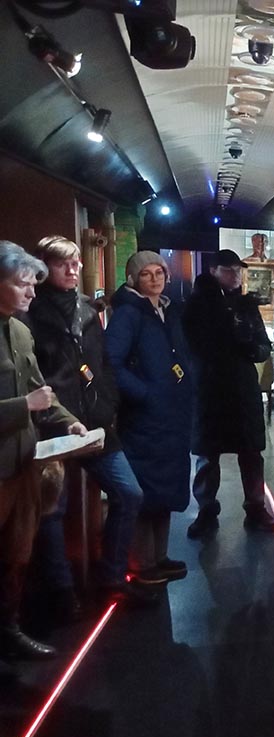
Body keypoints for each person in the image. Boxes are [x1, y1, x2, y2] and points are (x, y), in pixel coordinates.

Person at [25, 236, 149, 612]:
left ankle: (111, 577)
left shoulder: (86, 310)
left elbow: (103, 363)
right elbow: (31, 374)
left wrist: (108, 404)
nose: (73, 269)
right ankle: (61, 590)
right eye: (63, 263)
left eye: (76, 262)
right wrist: (48, 413)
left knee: (129, 493)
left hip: (95, 422)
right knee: (52, 509)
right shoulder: (29, 311)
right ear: (44, 267)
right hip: (51, 424)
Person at [0, 242, 85, 673]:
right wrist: (24, 407)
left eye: (34, 284)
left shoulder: (19, 331)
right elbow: (31, 400)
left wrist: (69, 421)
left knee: (16, 557)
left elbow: (41, 392)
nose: (32, 292)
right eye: (22, 284)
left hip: (22, 465)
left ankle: (9, 631)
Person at [104, 252, 195, 584]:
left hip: (170, 416)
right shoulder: (128, 314)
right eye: (146, 274)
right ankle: (141, 564)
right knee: (147, 488)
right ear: (132, 278)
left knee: (166, 487)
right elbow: (111, 364)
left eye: (159, 272)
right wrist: (145, 394)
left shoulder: (166, 311)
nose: (155, 279)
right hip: (144, 418)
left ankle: (159, 556)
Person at [181, 249, 274, 539]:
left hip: (242, 389)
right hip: (210, 388)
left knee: (251, 453)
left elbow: (263, 347)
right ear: (213, 270)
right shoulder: (197, 306)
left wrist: (250, 346)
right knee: (207, 455)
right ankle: (206, 511)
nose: (235, 275)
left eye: (238, 270)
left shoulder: (245, 305)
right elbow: (190, 347)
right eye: (228, 270)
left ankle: (256, 509)